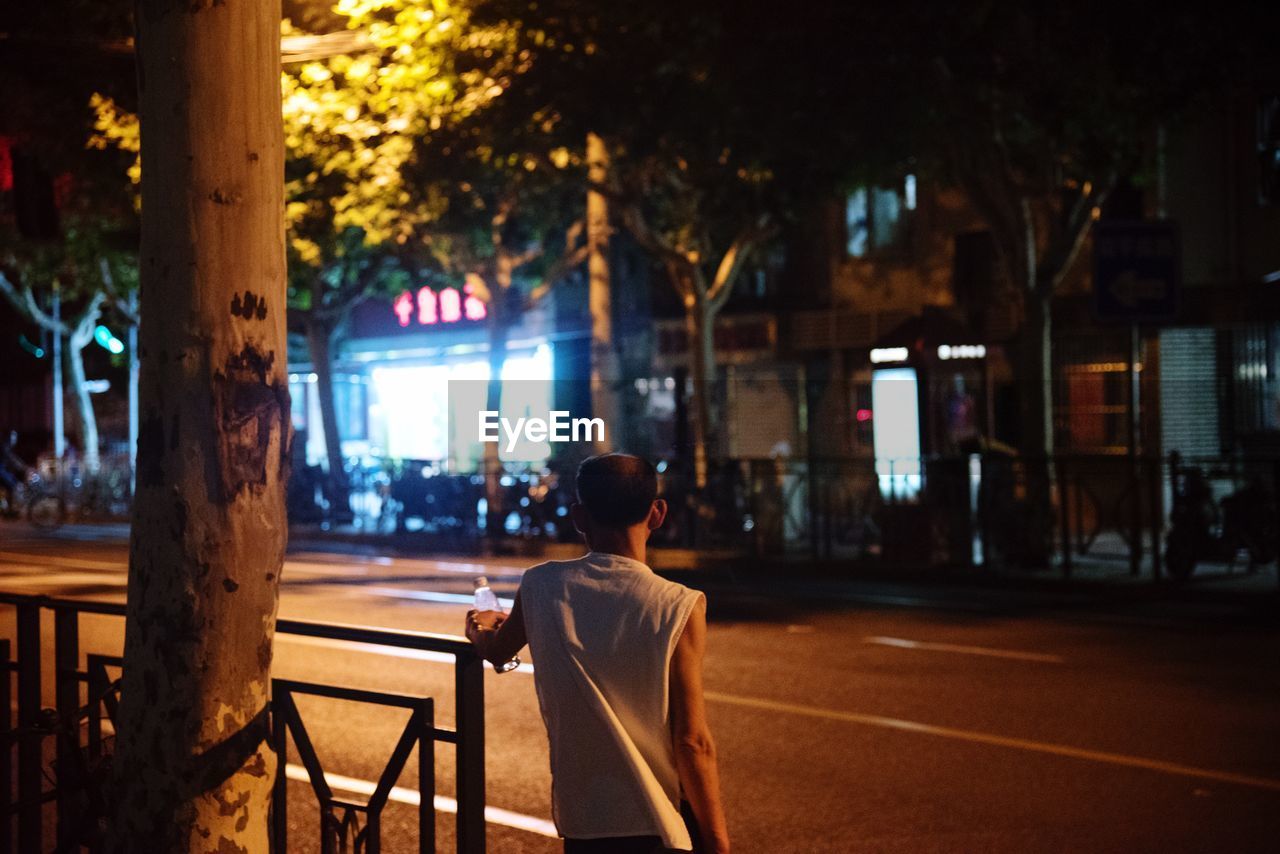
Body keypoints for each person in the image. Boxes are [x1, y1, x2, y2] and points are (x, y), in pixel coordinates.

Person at [466, 453, 731, 854]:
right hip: (660, 821)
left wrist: (479, 626)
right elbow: (692, 741)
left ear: (579, 517)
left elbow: (497, 649)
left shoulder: (541, 586)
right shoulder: (680, 605)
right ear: (657, 514)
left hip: (585, 820)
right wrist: (717, 842)